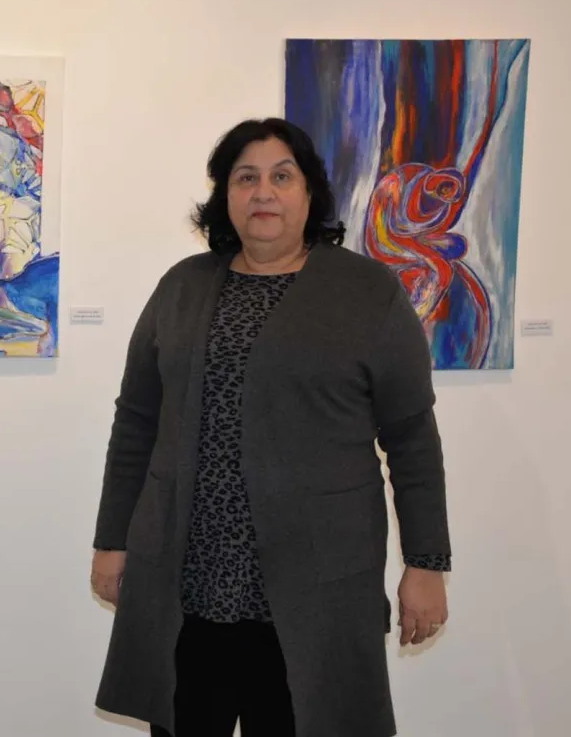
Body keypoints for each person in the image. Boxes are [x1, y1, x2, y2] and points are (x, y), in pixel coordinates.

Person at [89, 118, 451, 737]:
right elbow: (136, 423)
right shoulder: (182, 287)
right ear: (225, 195)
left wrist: (425, 564)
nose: (264, 192)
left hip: (313, 594)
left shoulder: (368, 292)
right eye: (246, 178)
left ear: (309, 192)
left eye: (282, 177)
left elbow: (412, 438)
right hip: (188, 590)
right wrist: (111, 540)